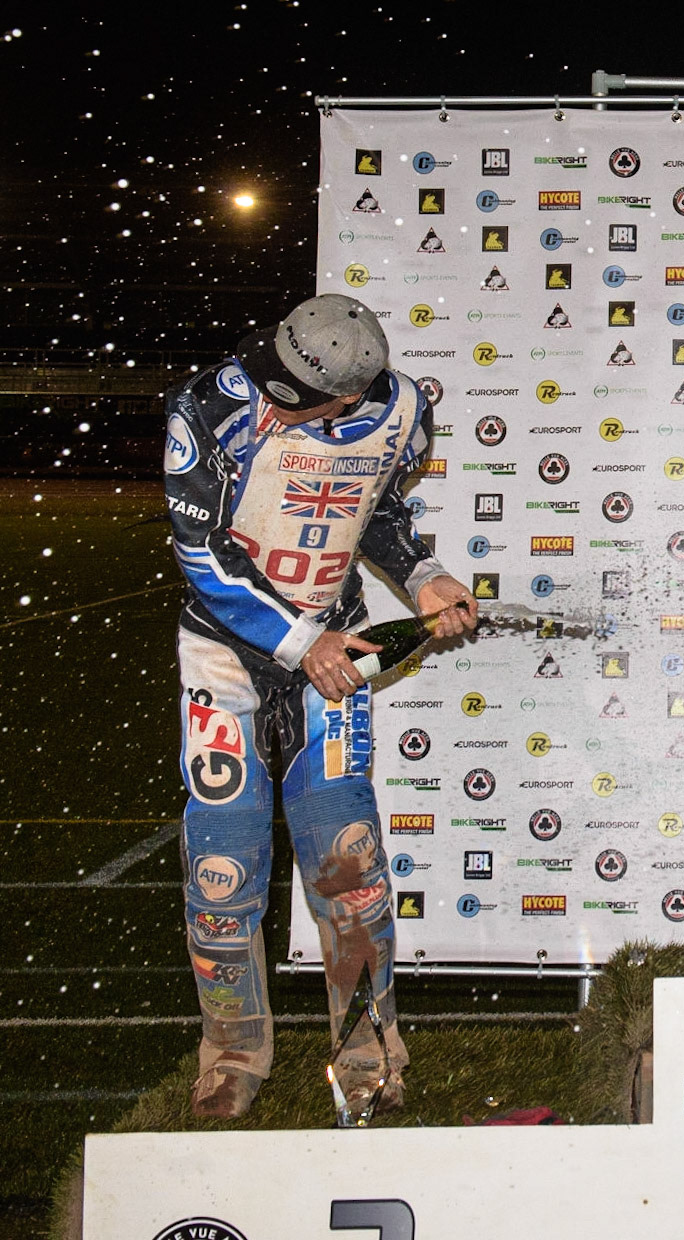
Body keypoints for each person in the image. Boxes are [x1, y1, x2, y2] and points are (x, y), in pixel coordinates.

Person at [163, 293, 477, 1118]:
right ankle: (231, 1051)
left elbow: (376, 511)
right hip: (226, 660)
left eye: (295, 395)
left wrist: (421, 573)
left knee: (350, 868)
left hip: (329, 656)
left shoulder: (403, 410)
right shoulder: (209, 405)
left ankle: (370, 1051)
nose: (267, 392)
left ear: (348, 396)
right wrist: (304, 644)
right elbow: (202, 553)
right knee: (222, 873)